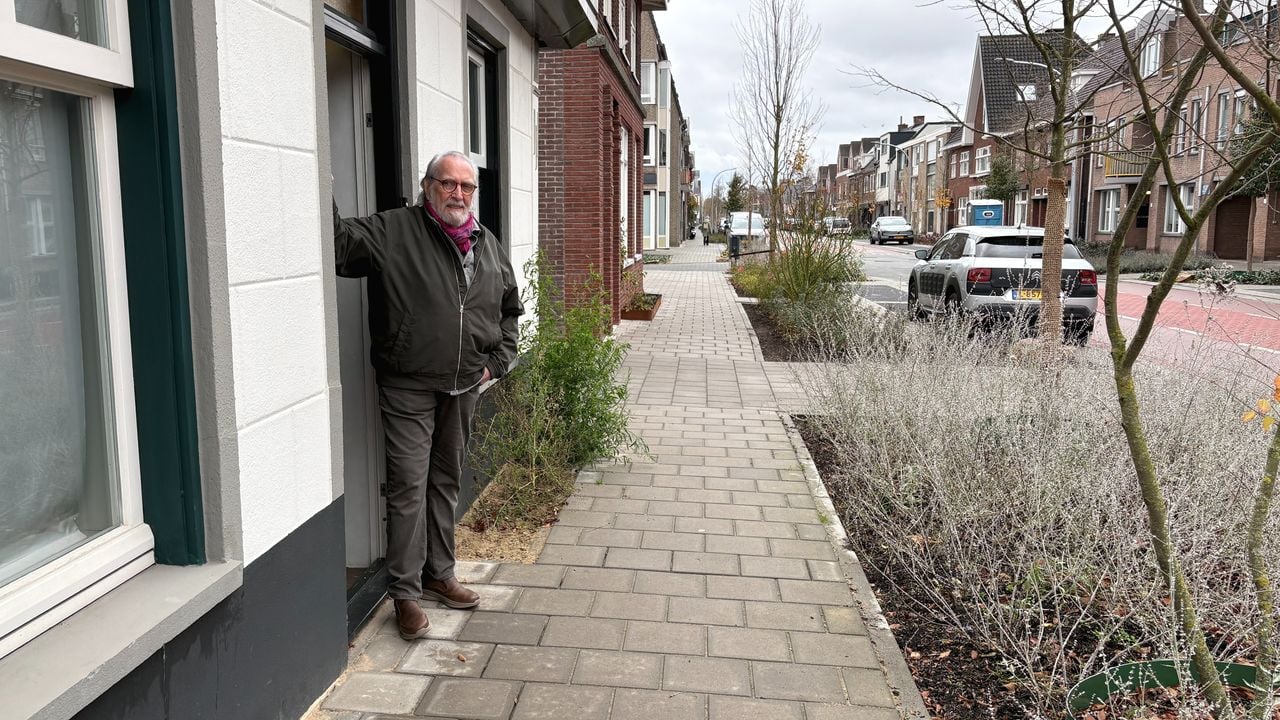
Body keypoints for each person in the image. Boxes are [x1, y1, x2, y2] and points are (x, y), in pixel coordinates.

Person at [332, 151, 523, 640]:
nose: (458, 194)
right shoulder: (395, 230)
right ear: (427, 186)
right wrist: (319, 176)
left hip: (464, 385)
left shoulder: (488, 244)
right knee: (408, 488)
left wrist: (495, 364)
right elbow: (338, 247)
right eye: (448, 184)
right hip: (409, 385)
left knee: (445, 482)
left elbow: (509, 310)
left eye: (467, 186)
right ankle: (405, 594)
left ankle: (440, 573)